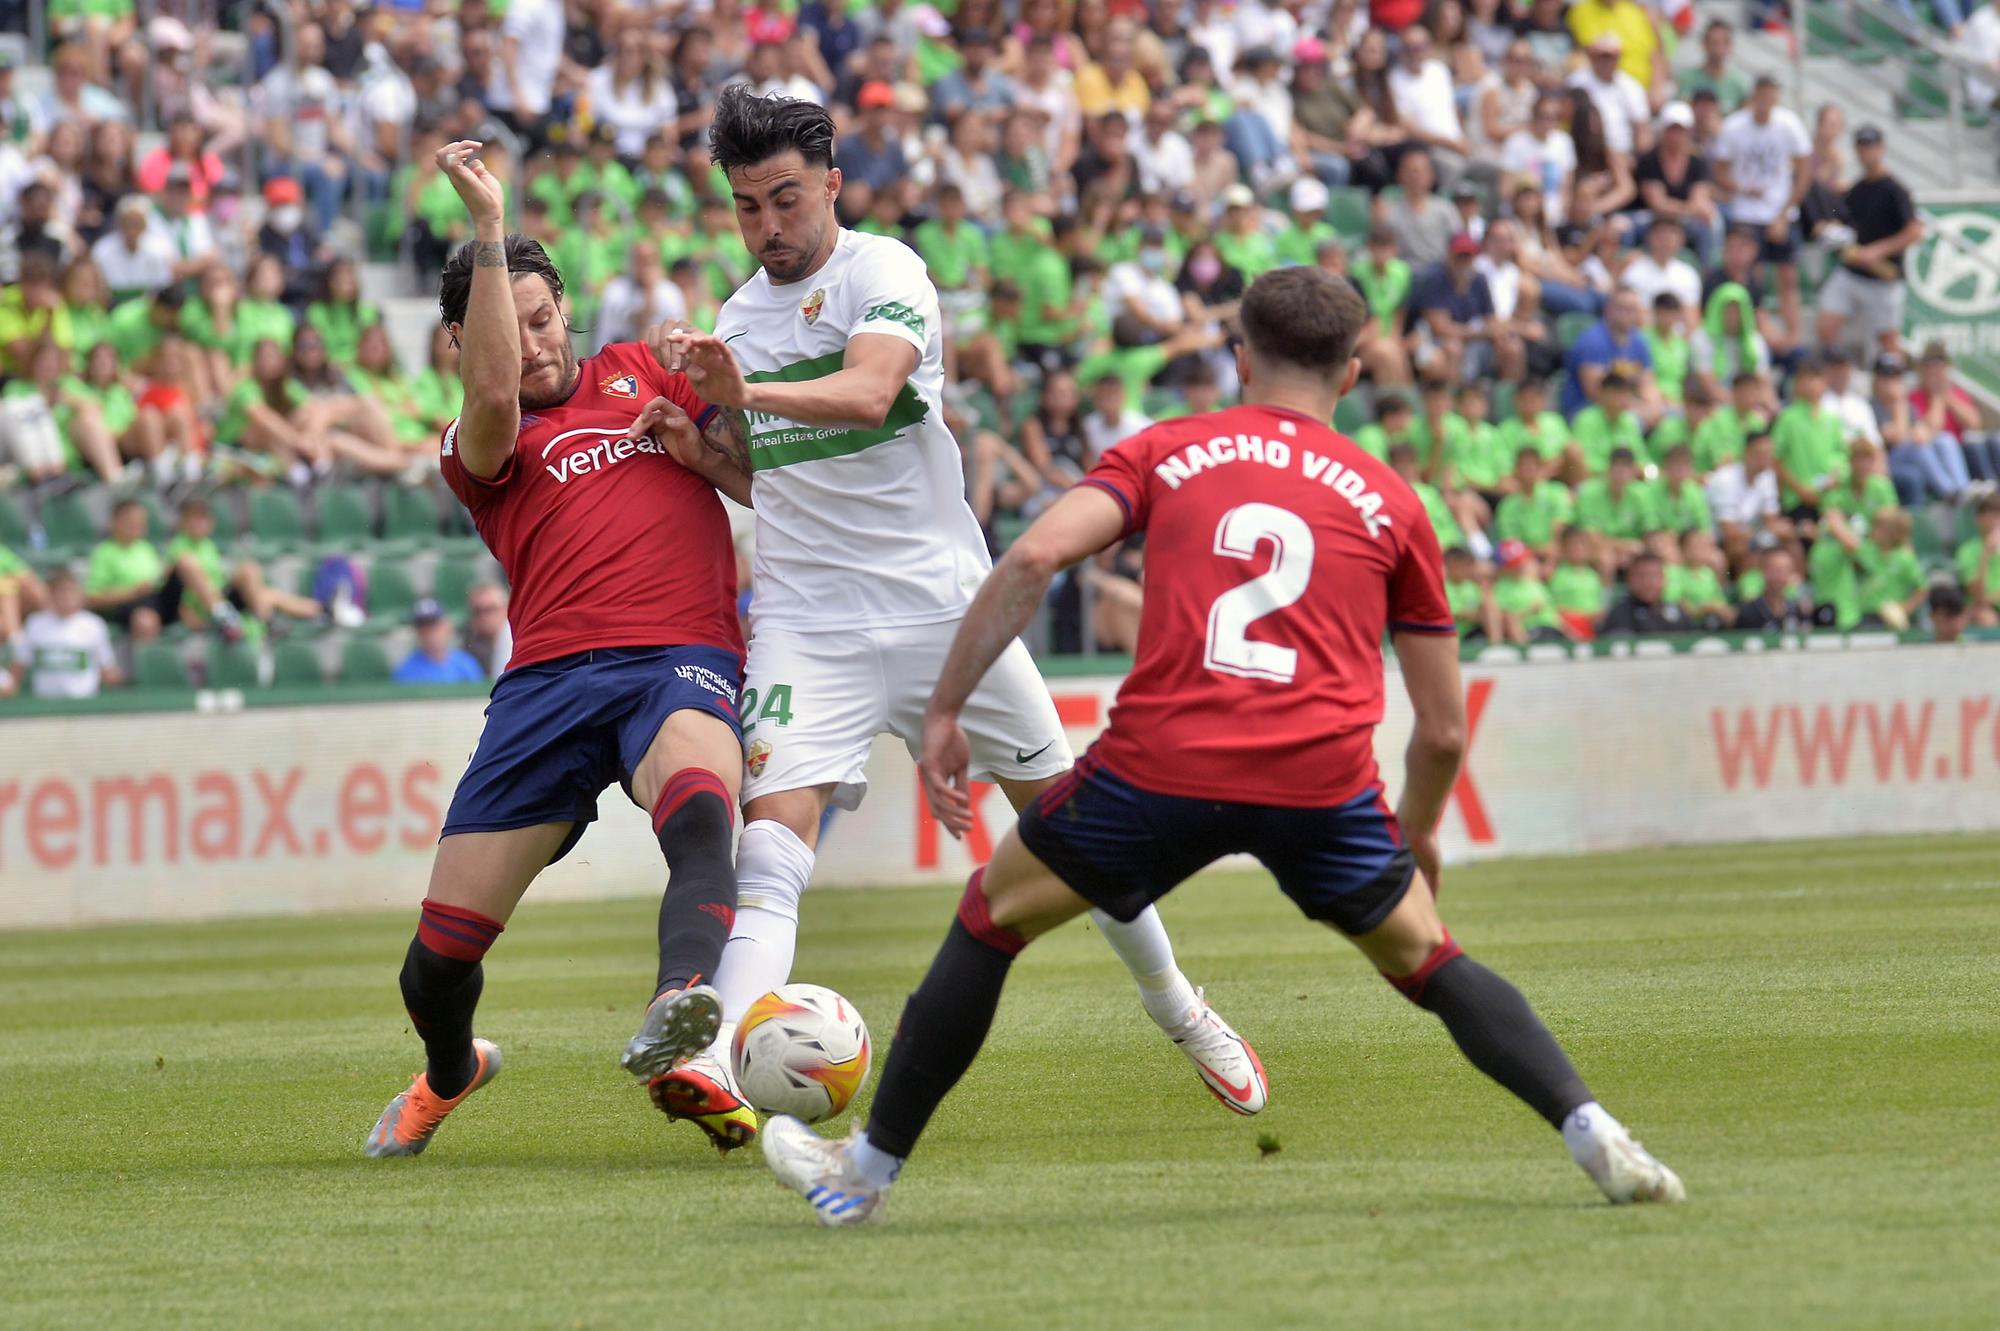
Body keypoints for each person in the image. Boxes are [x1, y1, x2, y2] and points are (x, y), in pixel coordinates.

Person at [758, 266, 1685, 1224]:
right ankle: (1595, 1133)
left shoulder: (1169, 448)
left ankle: (866, 1172)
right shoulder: (1392, 500)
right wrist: (1416, 833)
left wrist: (947, 707)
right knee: (1430, 960)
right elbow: (1444, 729)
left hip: (1162, 765)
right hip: (1321, 782)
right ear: (1352, 373)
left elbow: (1034, 555)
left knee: (991, 920)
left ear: (1241, 358)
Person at [645, 89, 1252, 1154]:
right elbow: (783, 481)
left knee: (1074, 829)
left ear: (832, 185)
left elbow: (870, 394)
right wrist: (708, 455)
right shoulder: (736, 321)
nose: (767, 226)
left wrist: (747, 394)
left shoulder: (885, 273)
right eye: (746, 206)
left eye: (785, 198)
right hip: (807, 622)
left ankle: (1178, 1007)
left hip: (940, 608)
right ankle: (715, 1061)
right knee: (771, 841)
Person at [363, 139, 751, 1160]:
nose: (534, 344)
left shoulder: (646, 372)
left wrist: (717, 425)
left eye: (543, 319)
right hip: (544, 688)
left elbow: (768, 484)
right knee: (433, 968)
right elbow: (495, 398)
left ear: (565, 309)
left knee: (702, 810)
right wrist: (489, 227)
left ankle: (680, 1009)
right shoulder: (473, 443)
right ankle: (451, 1068)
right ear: (462, 340)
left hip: (676, 655)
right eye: (509, 324)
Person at [1711, 77, 1811, 354]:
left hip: (1779, 210)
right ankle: (1758, 330)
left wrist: (1785, 212)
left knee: (1787, 276)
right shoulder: (1734, 126)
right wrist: (1743, 188)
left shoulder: (1789, 125)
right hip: (1746, 211)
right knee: (1749, 275)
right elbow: (1720, 172)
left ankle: (1792, 336)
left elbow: (1804, 170)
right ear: (1754, 96)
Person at [1817, 126, 1922, 361]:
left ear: (1881, 149)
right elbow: (1841, 219)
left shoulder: (1895, 190)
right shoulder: (1857, 189)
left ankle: (1892, 377)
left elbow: (1915, 231)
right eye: (1862, 146)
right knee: (1827, 325)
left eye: (1871, 146)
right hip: (1853, 272)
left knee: (1888, 341)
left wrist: (1877, 251)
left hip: (1883, 277)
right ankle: (1839, 372)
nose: (1866, 152)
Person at [9, 570, 121, 700]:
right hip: (44, 705)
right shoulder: (35, 623)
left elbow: (107, 668)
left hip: (84, 703)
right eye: (61, 592)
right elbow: (19, 664)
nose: (66, 596)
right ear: (51, 594)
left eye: (71, 591)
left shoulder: (94, 624)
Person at [393, 599, 488, 685]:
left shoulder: (465, 663)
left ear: (447, 627)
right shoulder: (405, 672)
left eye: (434, 627)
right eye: (423, 629)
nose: (430, 634)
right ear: (417, 633)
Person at [1597, 553, 1692, 636]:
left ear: (1664, 579)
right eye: (1641, 576)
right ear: (1629, 579)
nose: (1648, 583)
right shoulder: (1620, 616)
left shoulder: (1676, 612)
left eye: (1654, 576)